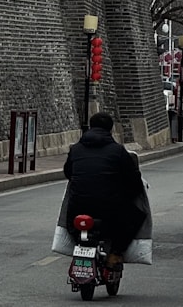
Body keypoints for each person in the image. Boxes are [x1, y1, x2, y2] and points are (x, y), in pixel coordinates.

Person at [63, 112, 147, 262]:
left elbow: (68, 173)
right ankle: (115, 253)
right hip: (110, 210)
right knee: (136, 216)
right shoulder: (118, 151)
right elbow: (134, 181)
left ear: (90, 127)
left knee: (71, 215)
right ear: (111, 129)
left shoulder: (75, 149)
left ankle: (79, 247)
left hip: (78, 209)